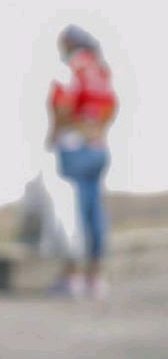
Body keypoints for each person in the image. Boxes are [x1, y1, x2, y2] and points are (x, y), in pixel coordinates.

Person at [46, 24, 117, 299]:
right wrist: (98, 129)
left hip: (74, 147)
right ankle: (95, 276)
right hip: (98, 147)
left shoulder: (70, 70)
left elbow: (61, 106)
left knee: (71, 213)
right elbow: (111, 106)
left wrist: (55, 133)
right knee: (94, 212)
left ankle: (73, 275)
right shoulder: (100, 69)